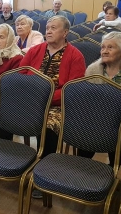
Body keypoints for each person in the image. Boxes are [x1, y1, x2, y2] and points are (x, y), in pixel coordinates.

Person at [20, 15, 85, 199]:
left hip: (57, 105)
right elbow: (21, 73)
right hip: (31, 99)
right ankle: (9, 162)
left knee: (49, 126)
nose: (48, 31)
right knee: (4, 116)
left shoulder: (75, 55)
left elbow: (72, 89)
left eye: (53, 28)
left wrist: (45, 98)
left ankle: (44, 176)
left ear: (65, 33)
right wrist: (32, 95)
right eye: (47, 27)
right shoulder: (36, 50)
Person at [77, 32, 121, 167]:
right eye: (103, 47)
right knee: (85, 131)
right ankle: (81, 167)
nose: (104, 51)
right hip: (96, 115)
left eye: (110, 48)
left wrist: (111, 112)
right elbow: (87, 100)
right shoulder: (93, 69)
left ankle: (113, 168)